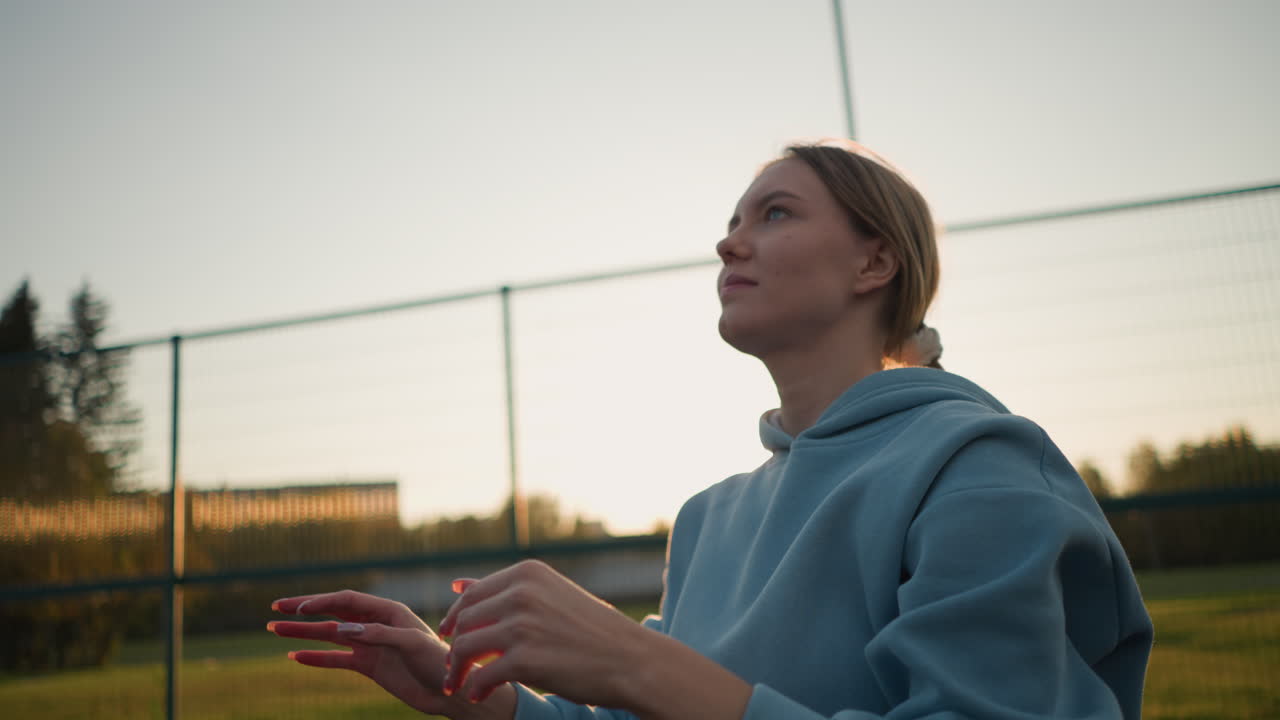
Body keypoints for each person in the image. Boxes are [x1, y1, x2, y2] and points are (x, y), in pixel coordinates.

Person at [268, 139, 1154, 720]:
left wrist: (631, 659)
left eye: (774, 213)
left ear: (875, 262)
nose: (730, 244)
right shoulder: (710, 517)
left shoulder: (980, 465)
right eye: (731, 222)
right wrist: (478, 698)